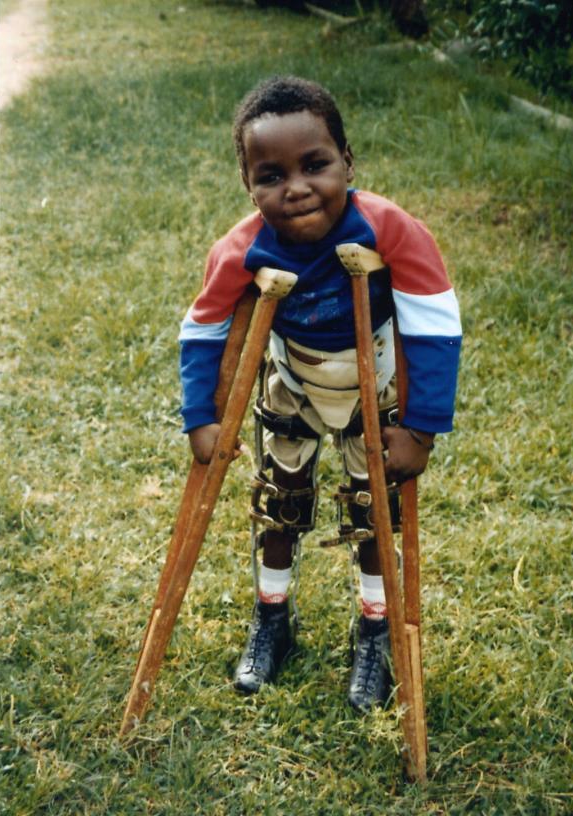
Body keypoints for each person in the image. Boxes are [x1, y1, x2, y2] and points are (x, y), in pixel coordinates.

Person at [178, 76, 461, 711]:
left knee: (373, 512)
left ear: (347, 163)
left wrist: (420, 428)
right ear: (248, 184)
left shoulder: (390, 228)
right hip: (294, 382)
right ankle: (272, 616)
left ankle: (375, 631)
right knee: (279, 504)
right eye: (271, 176)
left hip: (372, 385)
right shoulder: (242, 246)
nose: (296, 188)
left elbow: (434, 323)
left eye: (315, 165)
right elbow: (205, 327)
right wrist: (201, 415)